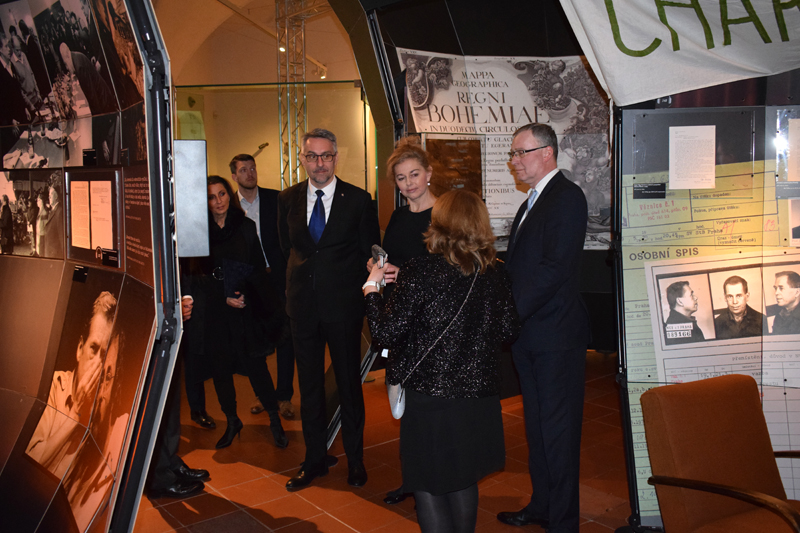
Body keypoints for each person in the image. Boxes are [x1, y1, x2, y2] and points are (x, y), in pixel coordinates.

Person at [365, 189, 519, 532]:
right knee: (463, 478)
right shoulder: (495, 272)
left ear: (440, 223)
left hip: (430, 396)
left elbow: (386, 332)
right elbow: (509, 329)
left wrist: (372, 289)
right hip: (478, 395)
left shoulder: (421, 270)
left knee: (427, 482)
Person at [497, 123, 590, 533]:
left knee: (559, 434)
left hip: (556, 338)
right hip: (530, 337)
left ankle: (563, 522)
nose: (514, 161)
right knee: (537, 429)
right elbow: (521, 268)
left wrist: (508, 313)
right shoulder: (532, 202)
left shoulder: (566, 198)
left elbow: (554, 269)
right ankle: (542, 506)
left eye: (521, 152)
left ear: (547, 152)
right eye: (513, 154)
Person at [278, 128, 381, 491]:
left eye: (325, 156)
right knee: (309, 389)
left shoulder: (359, 200)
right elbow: (286, 250)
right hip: (302, 308)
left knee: (349, 387)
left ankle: (356, 460)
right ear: (302, 159)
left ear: (336, 158)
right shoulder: (287, 199)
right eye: (312, 156)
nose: (319, 163)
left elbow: (370, 251)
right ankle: (315, 460)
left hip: (343, 308)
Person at [181, 175, 288, 449]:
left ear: (230, 195)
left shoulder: (245, 226)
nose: (218, 201)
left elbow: (256, 268)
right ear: (204, 202)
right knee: (220, 370)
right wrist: (221, 296)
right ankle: (232, 421)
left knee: (256, 366)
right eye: (211, 196)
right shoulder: (198, 232)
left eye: (222, 194)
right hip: (213, 309)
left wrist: (240, 296)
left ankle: (274, 419)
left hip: (243, 307)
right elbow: (193, 274)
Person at [367, 136, 437, 505]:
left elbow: (448, 273)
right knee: (405, 406)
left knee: (427, 406)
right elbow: (393, 259)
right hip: (401, 318)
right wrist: (378, 266)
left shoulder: (444, 216)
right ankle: (412, 478)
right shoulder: (397, 216)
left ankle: (433, 479)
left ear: (429, 173)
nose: (408, 183)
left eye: (414, 174)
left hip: (432, 324)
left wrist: (402, 273)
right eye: (400, 177)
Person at [229, 153, 296, 421]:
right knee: (256, 341)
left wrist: (291, 277)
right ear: (234, 176)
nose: (250, 173)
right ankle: (264, 394)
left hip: (278, 276)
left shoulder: (276, 199)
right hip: (251, 281)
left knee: (286, 338)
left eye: (252, 168)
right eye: (243, 170)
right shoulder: (230, 205)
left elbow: (290, 239)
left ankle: (285, 396)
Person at [26, 292, 117, 478]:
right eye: (93, 349)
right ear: (79, 349)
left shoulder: (104, 412)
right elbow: (27, 466)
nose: (97, 365)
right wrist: (75, 413)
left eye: (104, 355)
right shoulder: (52, 386)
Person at [58, 42, 116, 115]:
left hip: (104, 101)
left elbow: (91, 95)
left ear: (67, 56)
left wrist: (95, 116)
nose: (67, 67)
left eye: (65, 63)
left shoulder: (79, 67)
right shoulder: (76, 56)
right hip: (103, 97)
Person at [43, 184, 64, 258]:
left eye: (51, 194)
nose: (49, 197)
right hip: (51, 253)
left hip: (55, 255)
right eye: (49, 195)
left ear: (56, 196)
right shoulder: (53, 210)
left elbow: (62, 237)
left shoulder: (59, 211)